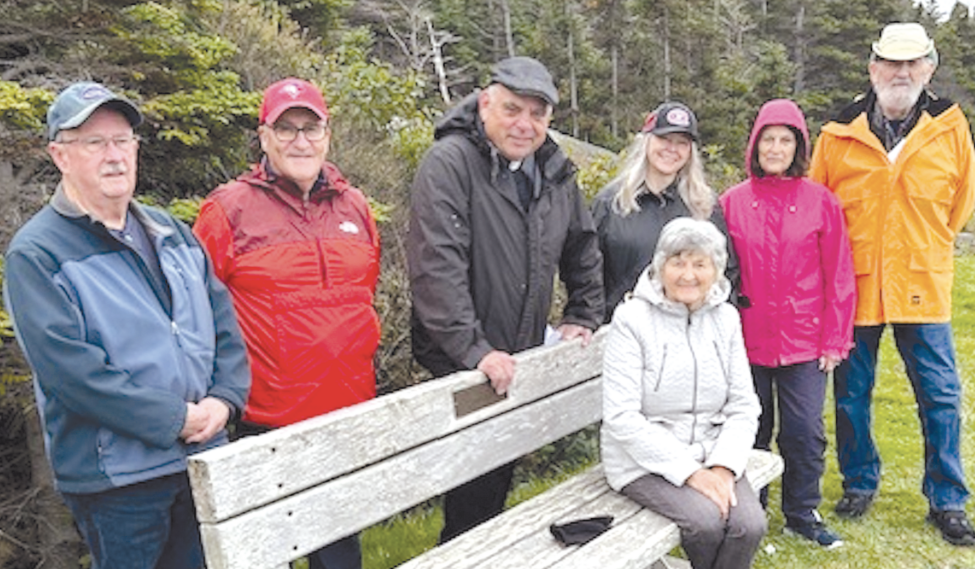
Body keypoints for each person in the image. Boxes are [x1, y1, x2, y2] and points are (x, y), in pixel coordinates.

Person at [3, 81, 251, 569]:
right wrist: (174, 418)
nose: (113, 156)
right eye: (94, 143)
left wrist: (224, 399)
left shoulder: (171, 231)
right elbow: (73, 373)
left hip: (202, 459)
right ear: (60, 155)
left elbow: (223, 322)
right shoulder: (37, 253)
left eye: (122, 141)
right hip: (119, 482)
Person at [407, 56, 604, 542]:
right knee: (472, 488)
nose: (524, 124)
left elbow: (582, 245)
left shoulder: (553, 169)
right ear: (485, 102)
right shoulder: (450, 163)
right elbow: (436, 268)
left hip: (517, 352)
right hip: (460, 358)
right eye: (513, 109)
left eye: (537, 115)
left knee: (496, 480)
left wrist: (583, 312)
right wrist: (475, 350)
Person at [193, 78, 380, 568]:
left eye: (310, 128)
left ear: (326, 134)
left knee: (340, 557)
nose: (300, 140)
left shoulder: (354, 206)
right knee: (264, 554)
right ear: (264, 137)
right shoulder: (227, 209)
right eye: (287, 128)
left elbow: (364, 294)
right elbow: (197, 311)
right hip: (266, 423)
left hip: (345, 417)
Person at [809, 23, 975, 546]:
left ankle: (947, 499)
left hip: (922, 285)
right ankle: (859, 483)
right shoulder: (837, 132)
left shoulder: (950, 127)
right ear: (873, 69)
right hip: (853, 288)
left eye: (912, 63)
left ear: (928, 68)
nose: (901, 73)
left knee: (940, 395)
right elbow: (819, 206)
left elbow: (960, 204)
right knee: (851, 394)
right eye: (891, 63)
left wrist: (919, 250)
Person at [720, 98, 856, 548]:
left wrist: (836, 337)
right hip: (746, 339)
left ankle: (801, 511)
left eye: (785, 140)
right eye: (768, 140)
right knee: (750, 430)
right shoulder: (731, 203)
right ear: (755, 145)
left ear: (799, 147)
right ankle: (750, 514)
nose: (775, 148)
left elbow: (839, 273)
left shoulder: (822, 202)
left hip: (804, 340)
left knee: (803, 432)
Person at [601, 217, 764, 569]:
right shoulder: (631, 320)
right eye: (678, 262)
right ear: (660, 267)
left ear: (716, 270)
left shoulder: (726, 319)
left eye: (700, 264)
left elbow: (743, 406)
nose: (688, 275)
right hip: (641, 461)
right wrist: (691, 473)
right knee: (705, 522)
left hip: (711, 450)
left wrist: (722, 466)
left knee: (748, 526)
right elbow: (621, 418)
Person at [592, 101, 739, 321]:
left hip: (687, 333)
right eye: (664, 139)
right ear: (646, 141)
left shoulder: (704, 207)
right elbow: (587, 274)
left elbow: (726, 272)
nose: (672, 149)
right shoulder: (610, 203)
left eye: (682, 143)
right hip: (622, 332)